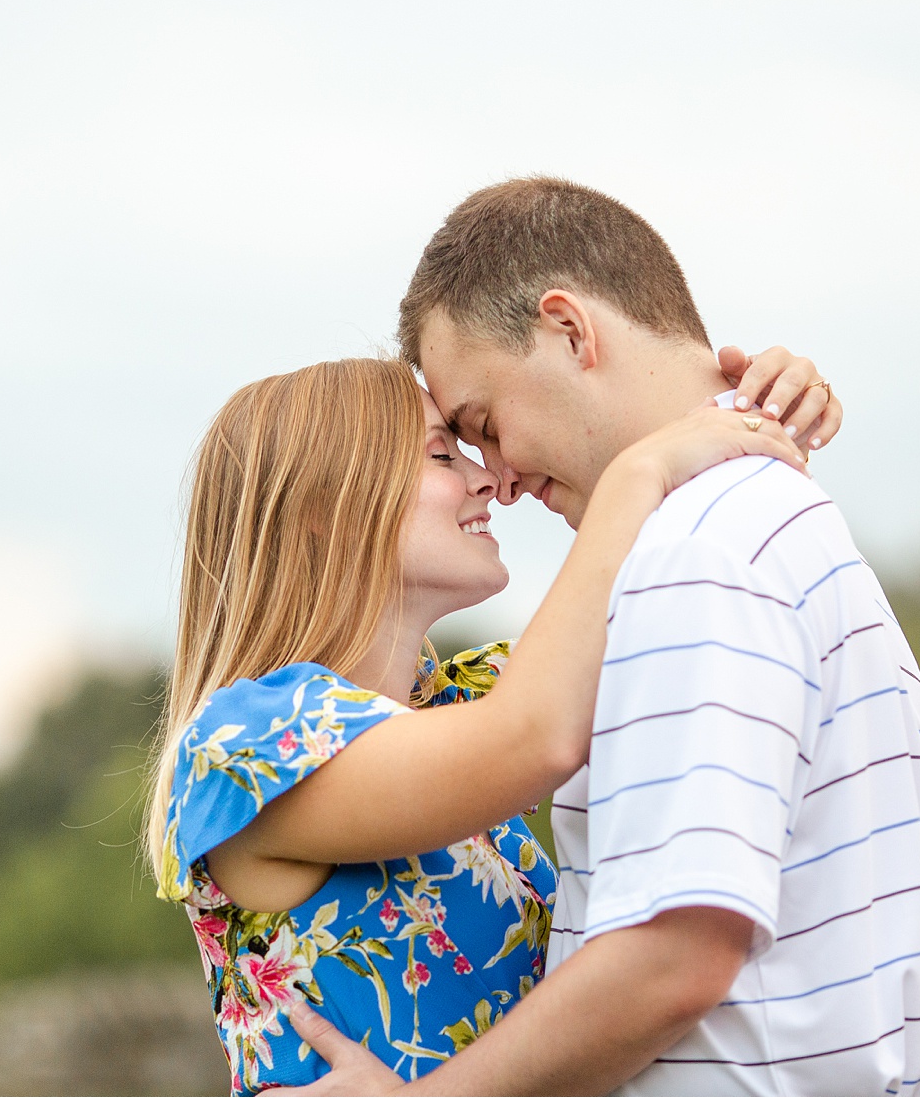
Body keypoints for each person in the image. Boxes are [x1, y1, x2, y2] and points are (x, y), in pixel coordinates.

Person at [281, 177, 920, 1096]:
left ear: (572, 332)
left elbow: (673, 960)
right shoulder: (766, 520)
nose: (499, 479)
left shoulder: (693, 555)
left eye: (483, 426)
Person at [146, 348, 840, 1094]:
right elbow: (534, 737)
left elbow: (678, 642)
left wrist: (750, 405)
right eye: (444, 454)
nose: (488, 480)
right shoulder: (243, 744)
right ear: (323, 509)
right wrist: (636, 475)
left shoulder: (461, 701)